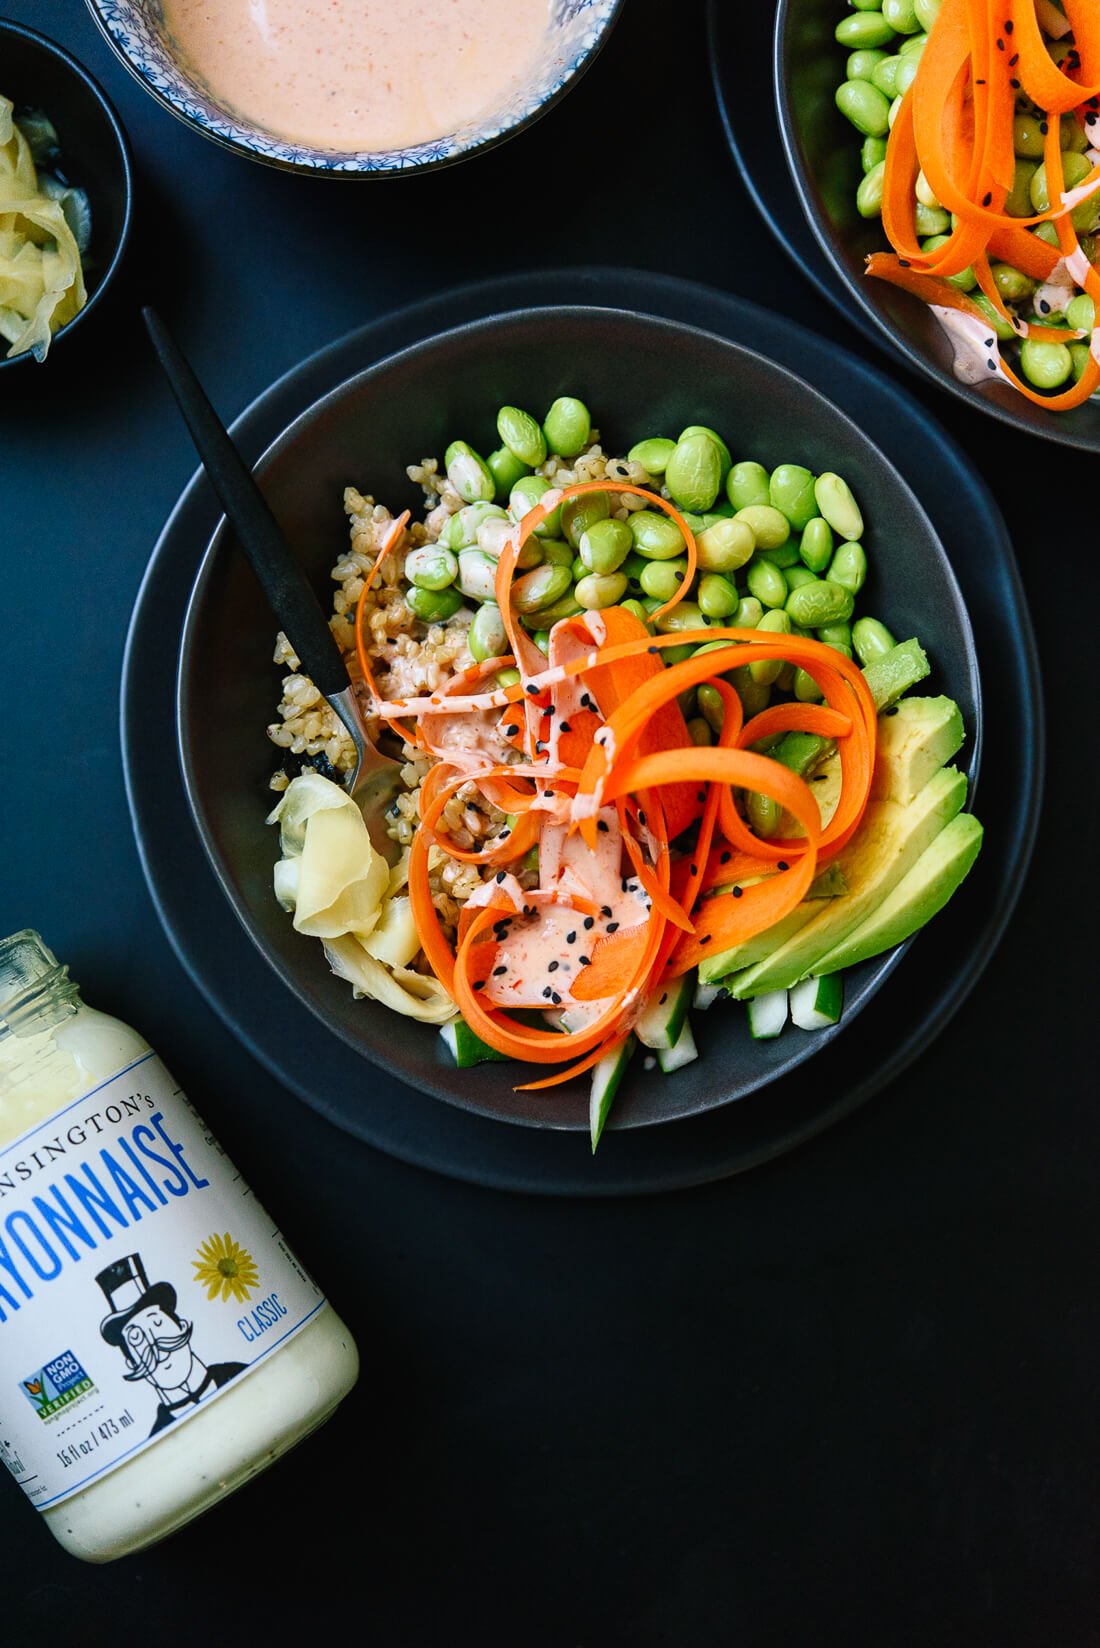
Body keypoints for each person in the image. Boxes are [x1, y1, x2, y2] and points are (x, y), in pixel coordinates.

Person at [96, 1253, 246, 1438]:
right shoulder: (157, 1437)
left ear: (181, 1326)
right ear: (132, 1363)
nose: (153, 1344)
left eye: (156, 1323)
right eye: (136, 1337)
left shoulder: (240, 1373)